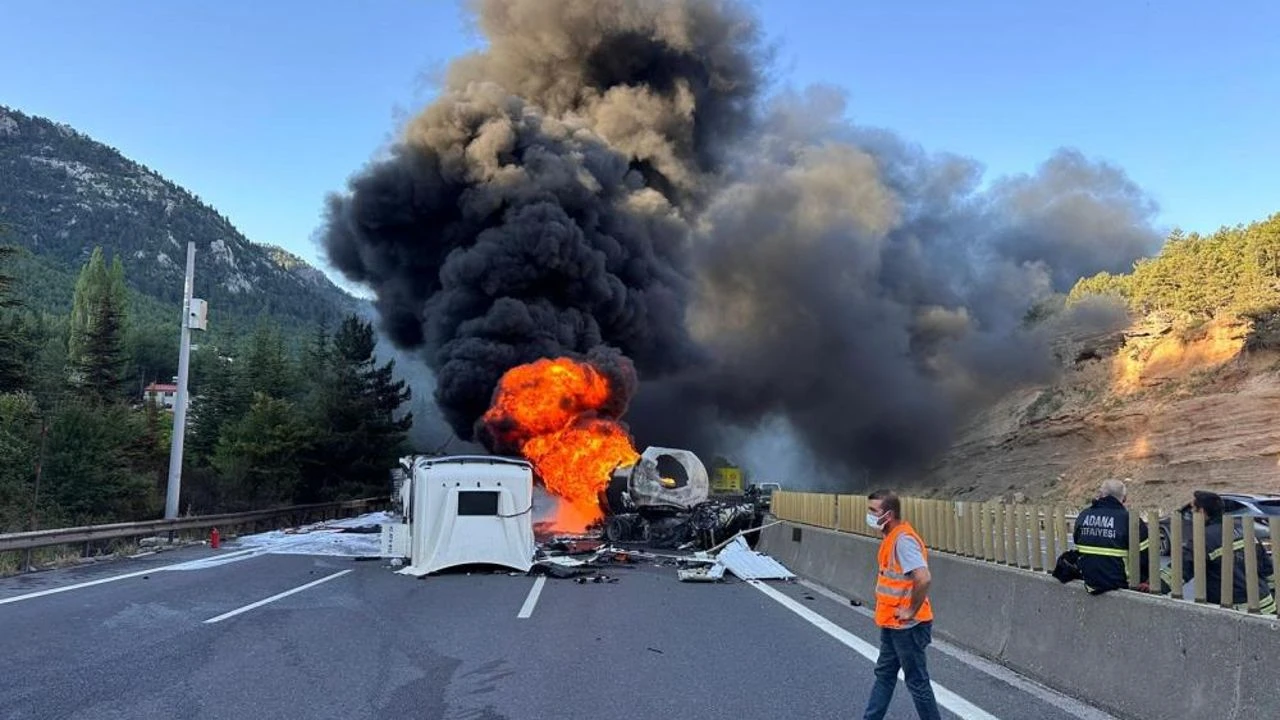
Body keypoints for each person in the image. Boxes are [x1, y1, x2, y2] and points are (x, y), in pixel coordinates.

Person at [862, 490, 941, 720]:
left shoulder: (903, 540)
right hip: (891, 623)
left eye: (873, 511)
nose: (869, 515)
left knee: (917, 681)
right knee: (885, 674)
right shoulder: (891, 537)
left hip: (908, 626)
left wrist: (910, 610)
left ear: (889, 514)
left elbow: (923, 578)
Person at [1160, 490, 1276, 613]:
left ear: (1202, 512)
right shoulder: (1241, 528)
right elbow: (1268, 569)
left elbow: (1181, 569)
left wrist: (1154, 586)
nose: (1191, 514)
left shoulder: (1204, 538)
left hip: (1236, 612)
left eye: (1193, 510)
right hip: (1267, 606)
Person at [1073, 478, 1150, 594]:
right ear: (1124, 498)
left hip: (1089, 581)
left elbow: (1077, 542)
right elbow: (1144, 557)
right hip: (1121, 584)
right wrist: (1144, 581)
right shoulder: (1131, 521)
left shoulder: (1083, 516)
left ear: (1100, 495)